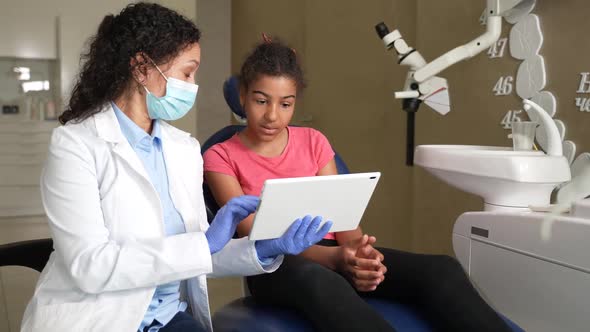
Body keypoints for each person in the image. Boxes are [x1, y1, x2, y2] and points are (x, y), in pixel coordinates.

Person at [21, 4, 331, 332]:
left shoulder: (183, 149)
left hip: (168, 317)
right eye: (187, 72)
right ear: (142, 67)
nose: (193, 84)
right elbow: (89, 267)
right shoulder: (76, 145)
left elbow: (198, 255)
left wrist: (265, 247)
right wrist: (204, 243)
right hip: (99, 319)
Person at [203, 37, 513, 332]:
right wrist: (336, 260)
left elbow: (341, 215)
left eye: (286, 104)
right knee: (322, 280)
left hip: (336, 251)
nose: (272, 115)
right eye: (261, 101)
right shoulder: (220, 156)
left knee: (441, 270)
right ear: (243, 94)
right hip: (274, 264)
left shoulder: (313, 141)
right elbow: (255, 236)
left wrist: (360, 253)